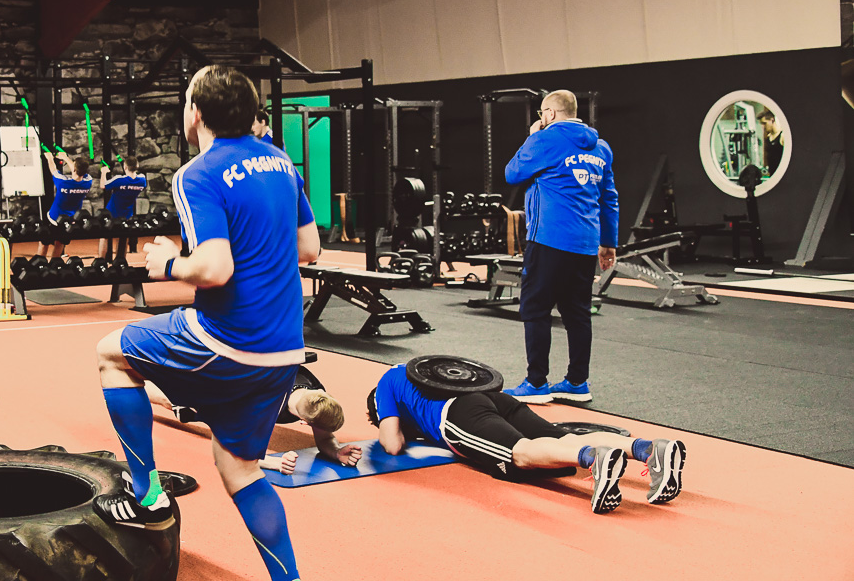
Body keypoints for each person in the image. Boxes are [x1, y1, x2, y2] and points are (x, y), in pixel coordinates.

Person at [92, 65, 319, 581]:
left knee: (110, 351)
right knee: (239, 468)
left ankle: (147, 492)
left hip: (227, 339)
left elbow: (214, 269)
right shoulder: (283, 163)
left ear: (195, 112)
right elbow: (309, 248)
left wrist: (168, 263)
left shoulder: (197, 173)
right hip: (285, 351)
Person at [370, 364, 686, 513]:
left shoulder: (385, 384)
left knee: (520, 454)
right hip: (495, 397)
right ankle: (649, 449)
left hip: (458, 415)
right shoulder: (420, 368)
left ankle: (594, 459)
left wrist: (403, 425)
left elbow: (392, 443)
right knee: (561, 437)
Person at [503, 90, 618, 404]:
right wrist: (608, 243)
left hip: (549, 240)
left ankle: (536, 383)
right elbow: (609, 199)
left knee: (535, 309)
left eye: (542, 114)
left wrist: (531, 137)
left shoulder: (544, 140)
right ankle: (577, 382)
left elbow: (512, 173)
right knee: (577, 313)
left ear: (549, 114)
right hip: (585, 243)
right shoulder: (601, 147)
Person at [145, 375, 363, 474]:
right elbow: (235, 452)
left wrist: (336, 451)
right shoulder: (264, 407)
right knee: (180, 405)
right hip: (226, 390)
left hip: (247, 378)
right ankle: (128, 387)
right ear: (304, 422)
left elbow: (324, 438)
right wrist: (272, 463)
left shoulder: (318, 398)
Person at [39, 149, 93, 260]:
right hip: (69, 220)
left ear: (74, 169)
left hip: (54, 218)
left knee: (44, 243)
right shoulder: (88, 182)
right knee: (60, 243)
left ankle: (39, 265)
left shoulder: (63, 181)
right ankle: (54, 267)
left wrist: (49, 158)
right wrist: (65, 158)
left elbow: (53, 169)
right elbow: (78, 170)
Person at [96, 157, 147, 259]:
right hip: (127, 214)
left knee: (104, 237)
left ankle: (100, 261)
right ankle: (120, 262)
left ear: (125, 167)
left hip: (112, 213)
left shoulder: (119, 179)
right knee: (123, 237)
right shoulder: (142, 180)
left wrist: (103, 172)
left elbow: (103, 185)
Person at [758, 109, 784, 174]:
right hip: (772, 174)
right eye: (762, 124)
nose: (763, 126)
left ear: (772, 120)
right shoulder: (769, 137)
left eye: (764, 123)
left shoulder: (782, 136)